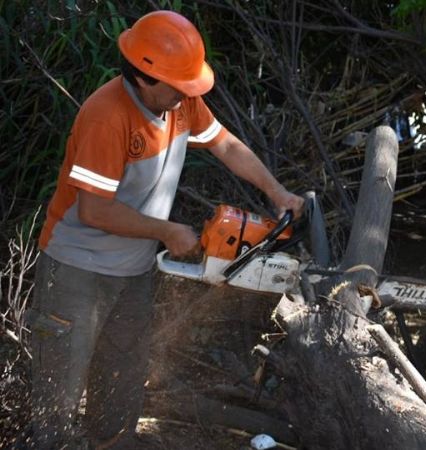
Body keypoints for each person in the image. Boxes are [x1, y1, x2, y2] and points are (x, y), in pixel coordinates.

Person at [20, 10, 304, 449]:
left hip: (131, 271)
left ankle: (113, 442)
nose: (188, 94)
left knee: (121, 379)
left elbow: (225, 143)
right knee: (59, 394)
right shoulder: (106, 116)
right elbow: (94, 211)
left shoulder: (181, 101)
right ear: (145, 77)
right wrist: (169, 232)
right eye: (181, 85)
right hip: (76, 271)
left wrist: (276, 191)